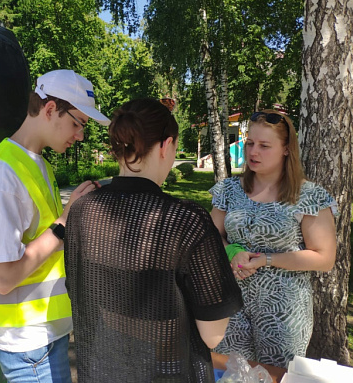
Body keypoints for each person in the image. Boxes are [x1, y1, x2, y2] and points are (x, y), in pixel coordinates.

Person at [64, 98, 243, 383]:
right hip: (166, 372)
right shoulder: (186, 220)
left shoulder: (82, 209)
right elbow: (213, 335)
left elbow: (82, 291)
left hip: (102, 369)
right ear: (165, 145)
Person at [0, 69, 111, 382]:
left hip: (42, 336)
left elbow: (45, 242)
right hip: (27, 346)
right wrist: (64, 221)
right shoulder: (0, 174)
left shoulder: (38, 164)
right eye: (77, 123)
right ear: (49, 110)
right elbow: (3, 277)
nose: (81, 135)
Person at [209, 109, 338, 368]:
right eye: (250, 143)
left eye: (264, 146)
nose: (253, 152)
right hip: (232, 305)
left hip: (284, 314)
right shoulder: (229, 189)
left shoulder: (309, 195)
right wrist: (232, 251)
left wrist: (266, 260)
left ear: (287, 149)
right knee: (233, 373)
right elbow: (210, 237)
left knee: (276, 376)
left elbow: (324, 258)